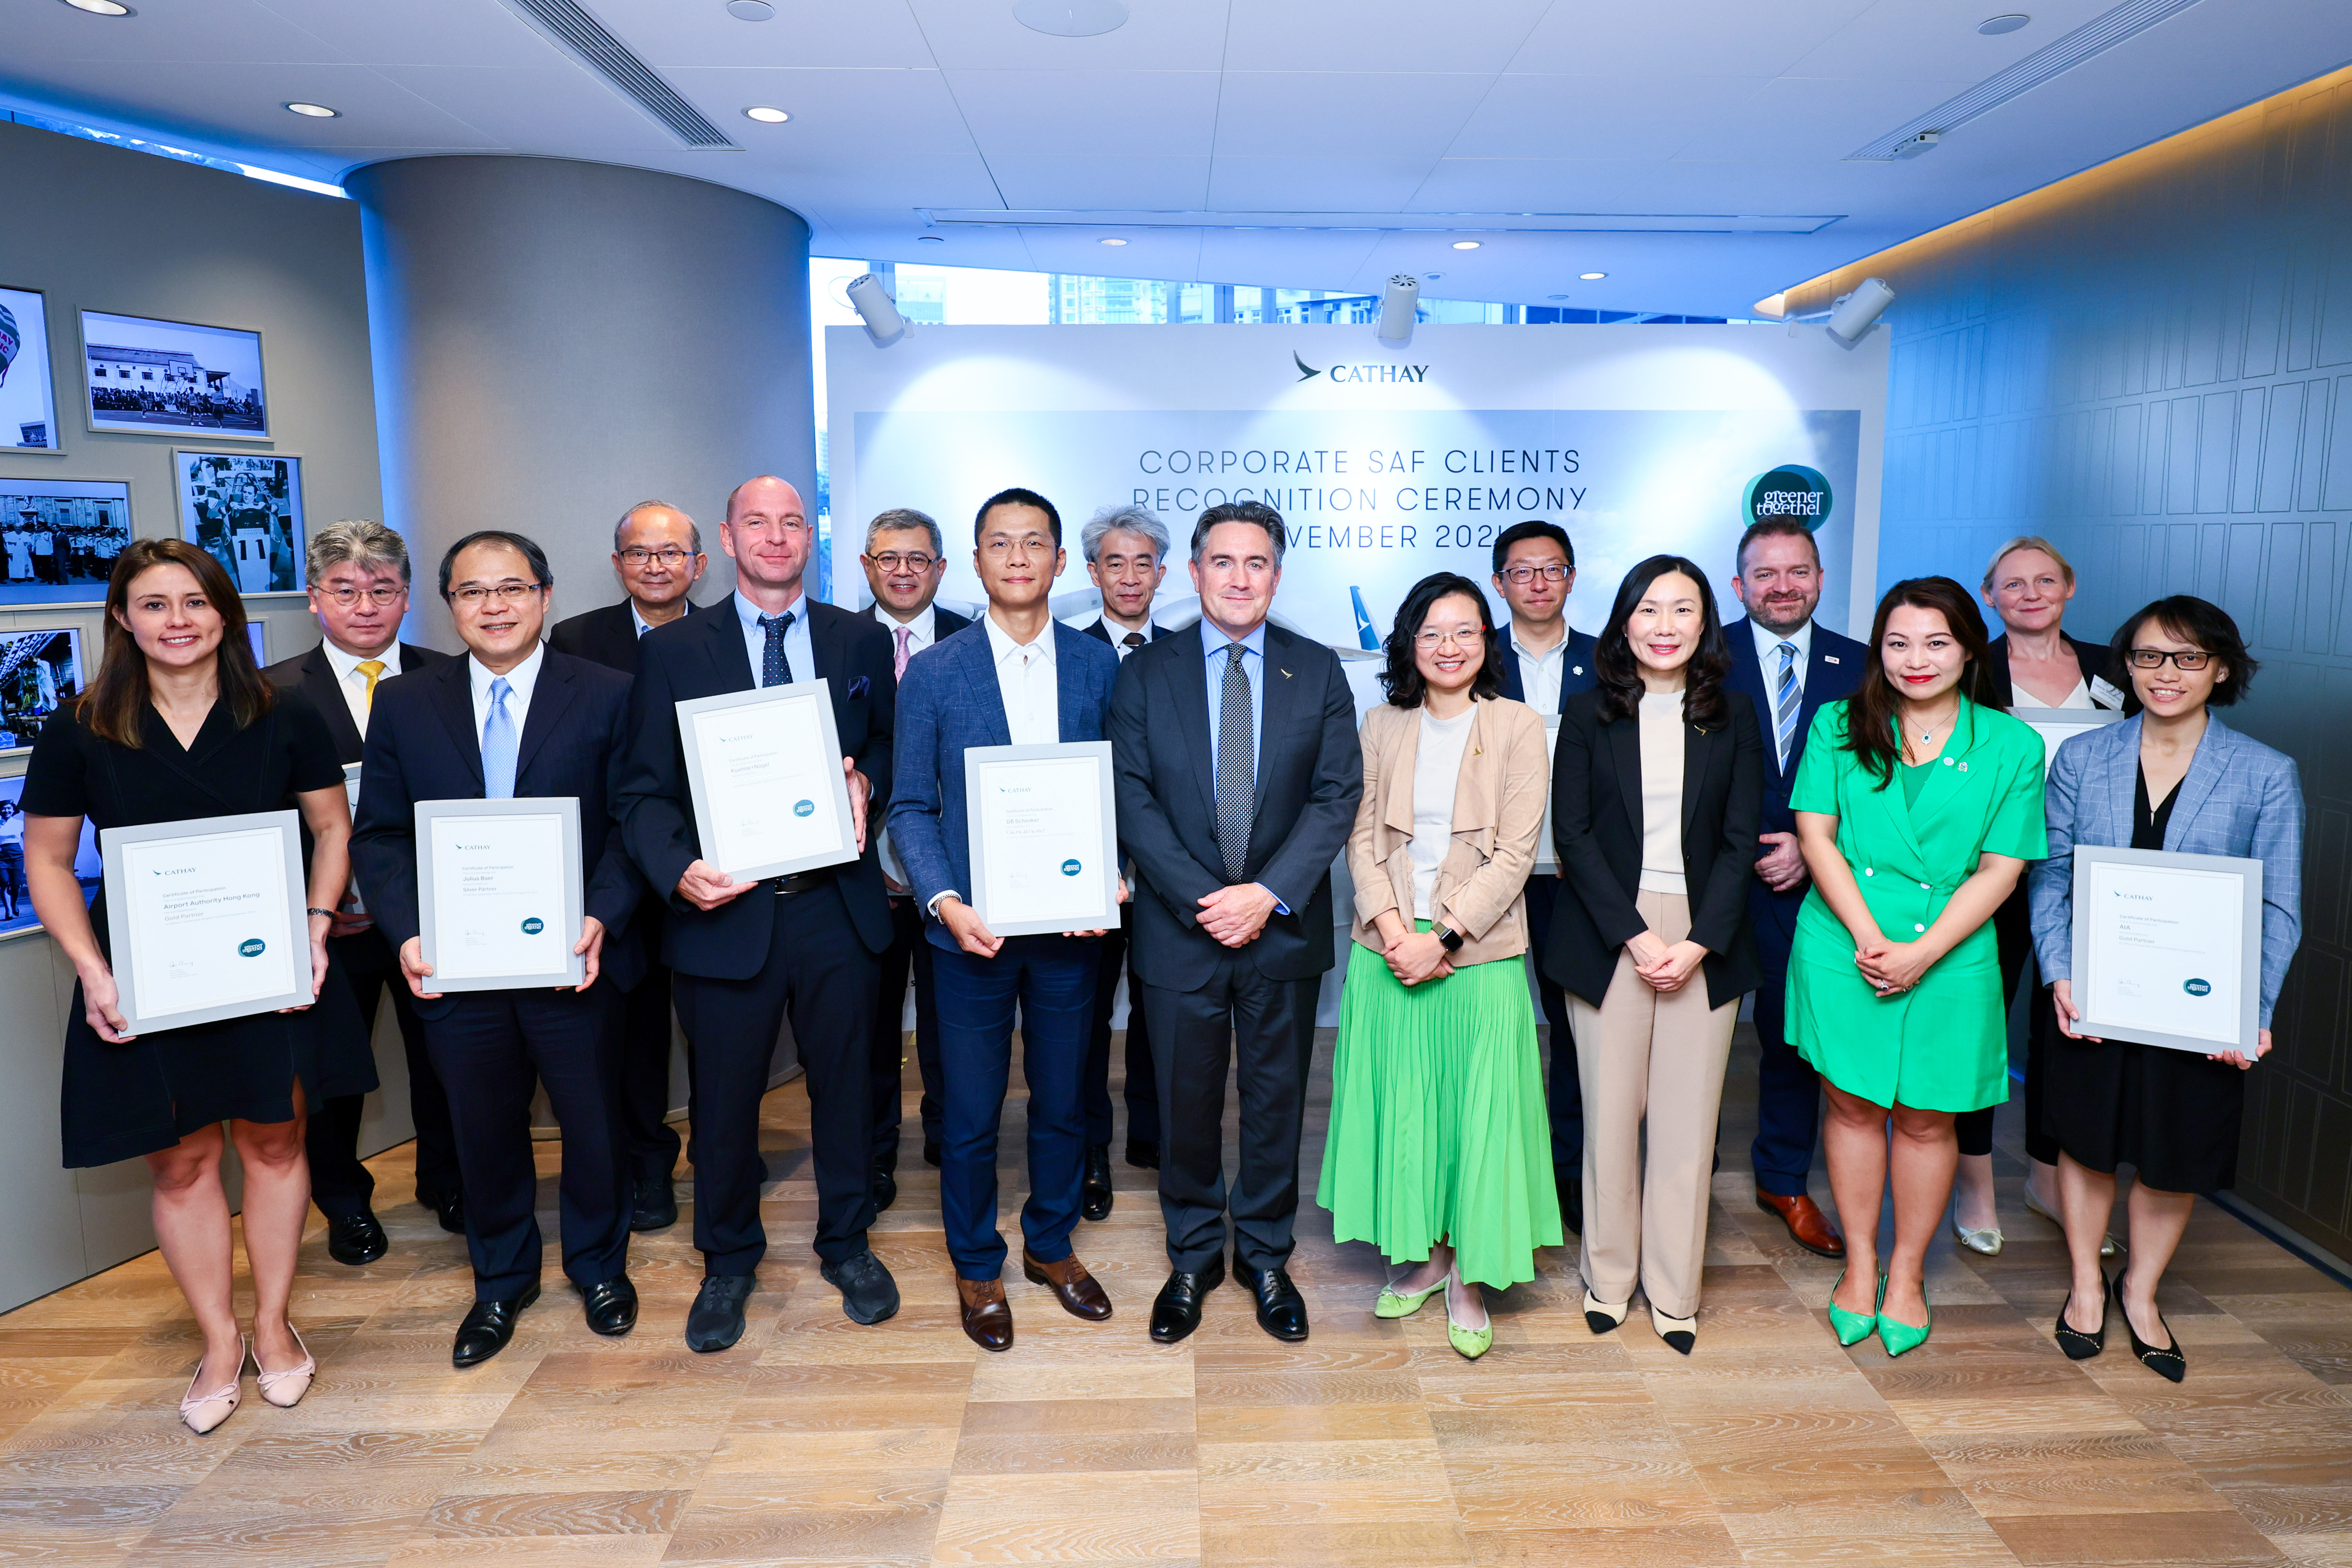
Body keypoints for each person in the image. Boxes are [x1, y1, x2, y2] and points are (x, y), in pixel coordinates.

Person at [21, 539, 366, 1432]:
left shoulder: (285, 714)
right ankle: (218, 1339)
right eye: (154, 603)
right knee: (178, 1158)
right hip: (142, 973)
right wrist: (94, 972)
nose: (177, 620)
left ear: (226, 614)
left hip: (266, 965)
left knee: (277, 1142)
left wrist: (317, 925)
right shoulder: (79, 726)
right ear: (123, 618)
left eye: (195, 602)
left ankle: (273, 1324)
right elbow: (49, 861)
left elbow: (332, 830)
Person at [614, 474, 900, 1349]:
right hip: (724, 910)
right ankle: (727, 1258)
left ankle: (846, 1241)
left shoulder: (856, 639)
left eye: (791, 522)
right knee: (725, 1102)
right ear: (728, 544)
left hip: (833, 908)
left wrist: (867, 777)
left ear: (808, 537)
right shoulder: (671, 650)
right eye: (755, 523)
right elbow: (641, 791)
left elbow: (887, 740)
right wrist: (678, 870)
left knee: (848, 1093)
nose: (776, 537)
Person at [350, 531, 643, 1369]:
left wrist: (601, 915)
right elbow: (380, 835)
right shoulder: (407, 703)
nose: (495, 605)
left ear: (545, 595)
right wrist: (407, 931)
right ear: (450, 606)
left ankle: (597, 1266)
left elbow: (633, 821)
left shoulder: (610, 693)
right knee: (483, 1129)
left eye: (513, 587)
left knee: (593, 1125)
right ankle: (502, 1278)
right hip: (459, 966)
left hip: (574, 959)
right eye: (474, 592)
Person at [1109, 500, 1362, 1346]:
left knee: (1275, 1099)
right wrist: (1204, 898)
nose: (1241, 577)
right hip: (1181, 930)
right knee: (1183, 1101)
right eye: (1224, 562)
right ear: (1194, 571)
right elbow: (1131, 798)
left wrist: (1268, 893)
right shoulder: (1148, 670)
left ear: (1277, 575)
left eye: (1258, 563)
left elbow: (1336, 797)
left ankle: (1263, 1253)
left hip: (1282, 930)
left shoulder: (1316, 669)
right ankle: (1191, 1253)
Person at [2035, 596, 2302, 1382]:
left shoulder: (2265, 772)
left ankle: (2141, 1292)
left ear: (2221, 668)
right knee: (2085, 1141)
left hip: (2199, 1008)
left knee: (2173, 1151)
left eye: (2188, 658)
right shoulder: (2084, 758)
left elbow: (2279, 905)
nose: (2166, 673)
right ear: (2127, 664)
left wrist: (2253, 1011)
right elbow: (2052, 877)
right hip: (2095, 991)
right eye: (2150, 656)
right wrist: (2060, 970)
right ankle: (2087, 1283)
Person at [888, 488, 1123, 1350]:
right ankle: (977, 1263)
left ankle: (1051, 1245)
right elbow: (910, 807)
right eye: (1000, 543)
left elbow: (1123, 793)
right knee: (973, 1109)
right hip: (970, 933)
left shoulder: (1101, 668)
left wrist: (1116, 873)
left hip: (1071, 932)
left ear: (1063, 561)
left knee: (1065, 1098)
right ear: (977, 563)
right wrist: (947, 902)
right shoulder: (938, 671)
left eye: (1036, 543)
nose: (1019, 557)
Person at [1789, 577, 2046, 1357]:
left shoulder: (2010, 744)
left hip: (1953, 949)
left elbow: (2001, 870)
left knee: (1932, 1116)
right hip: (1845, 942)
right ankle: (1861, 1263)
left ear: (1970, 647)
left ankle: (1907, 1273)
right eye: (1898, 642)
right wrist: (1873, 941)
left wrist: (1920, 953)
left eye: (1936, 642)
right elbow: (1816, 836)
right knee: (1854, 1105)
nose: (1915, 659)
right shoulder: (1840, 723)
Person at [1319, 572, 1559, 1361]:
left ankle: (1470, 1274)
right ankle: (1423, 1252)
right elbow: (1359, 837)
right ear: (1409, 644)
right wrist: (1394, 929)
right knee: (1408, 1108)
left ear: (1486, 640)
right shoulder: (1381, 722)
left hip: (1477, 954)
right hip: (1386, 946)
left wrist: (1442, 938)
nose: (1449, 646)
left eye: (1465, 631)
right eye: (1432, 632)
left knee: (1477, 1114)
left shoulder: (1520, 724)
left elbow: (1518, 852)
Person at [1546, 556, 1762, 1354]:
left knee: (1686, 1122)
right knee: (1610, 1115)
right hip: (1612, 933)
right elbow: (1572, 834)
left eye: (1683, 610)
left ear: (1705, 623)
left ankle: (1675, 1289)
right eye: (1649, 609)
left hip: (1706, 932)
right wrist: (1637, 936)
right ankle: (1608, 1277)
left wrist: (1700, 940)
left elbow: (1742, 840)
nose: (1665, 626)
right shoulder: (1586, 711)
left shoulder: (1734, 714)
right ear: (1624, 621)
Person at [263, 519, 463, 1265]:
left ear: (407, 597)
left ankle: (450, 1183)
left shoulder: (453, 674)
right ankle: (343, 1203)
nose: (365, 606)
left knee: (447, 1058)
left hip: (432, 910)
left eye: (382, 590)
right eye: (345, 591)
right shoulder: (273, 692)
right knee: (332, 1074)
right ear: (315, 599)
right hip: (328, 923)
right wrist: (314, 907)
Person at [1953, 537, 2127, 1256]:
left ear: (2071, 587)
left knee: (2069, 1033)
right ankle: (1977, 1183)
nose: (2030, 593)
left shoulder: (2114, 669)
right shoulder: (1971, 670)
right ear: (1989, 595)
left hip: (2093, 882)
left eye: (2045, 580)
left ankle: (2049, 1180)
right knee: (1976, 1027)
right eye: (2012, 583)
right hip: (1991, 875)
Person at [548, 500, 710, 1234]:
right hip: (615, 862)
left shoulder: (729, 635)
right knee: (637, 1031)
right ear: (617, 565)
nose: (655, 565)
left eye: (671, 553)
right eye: (640, 553)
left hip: (707, 866)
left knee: (715, 1023)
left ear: (698, 565)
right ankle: (648, 1164)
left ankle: (719, 1143)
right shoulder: (575, 640)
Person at [1722, 518, 1867, 1259]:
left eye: (1798, 571)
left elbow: (1884, 785)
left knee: (1792, 1041)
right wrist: (1744, 849)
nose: (1783, 587)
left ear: (1818, 576)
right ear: (1740, 582)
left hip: (1813, 888)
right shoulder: (1695, 652)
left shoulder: (1865, 666)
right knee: (1685, 1044)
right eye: (1766, 573)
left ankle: (1782, 1179)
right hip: (1706, 884)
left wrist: (1818, 853)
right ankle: (1667, 1182)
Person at [1487, 519, 1598, 1234]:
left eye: (1551, 570)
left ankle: (1568, 1172)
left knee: (1572, 1024)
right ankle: (1494, 1171)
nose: (1537, 583)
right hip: (1488, 871)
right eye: (1522, 572)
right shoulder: (1469, 653)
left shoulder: (1609, 659)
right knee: (1490, 1026)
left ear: (1571, 578)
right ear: (1500, 583)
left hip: (1575, 873)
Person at [858, 506, 970, 1201]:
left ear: (941, 568)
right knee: (868, 1022)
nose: (903, 571)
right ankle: (873, 1150)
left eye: (918, 559)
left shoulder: (974, 641)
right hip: (861, 871)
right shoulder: (836, 641)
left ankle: (944, 1131)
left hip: (952, 870)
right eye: (888, 558)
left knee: (948, 1017)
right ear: (868, 566)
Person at [1078, 502, 1177, 1209]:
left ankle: (1154, 1133)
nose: (1130, 576)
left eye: (1144, 562)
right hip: (1083, 864)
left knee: (1161, 1006)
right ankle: (1090, 1154)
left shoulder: (1188, 655)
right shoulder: (1067, 654)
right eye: (1116, 562)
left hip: (1169, 867)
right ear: (1092, 572)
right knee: (1083, 1014)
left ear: (1164, 574)